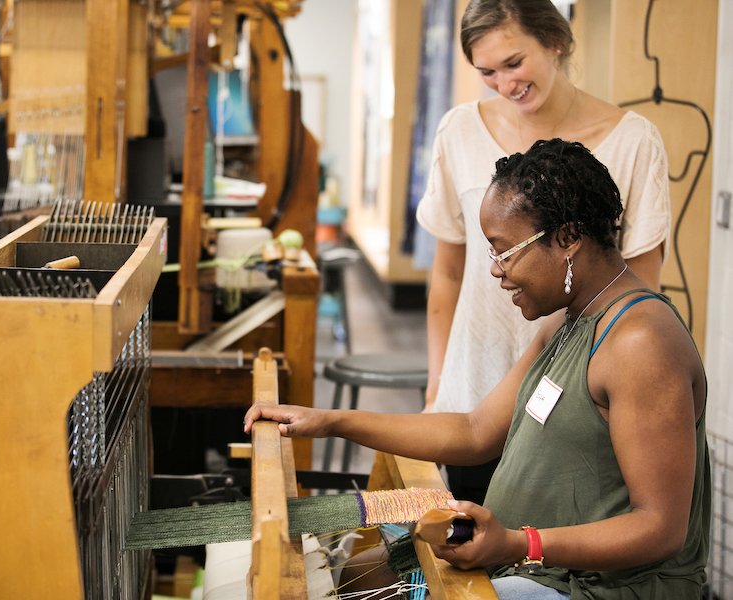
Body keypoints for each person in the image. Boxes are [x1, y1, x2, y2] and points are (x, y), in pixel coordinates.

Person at [245, 140, 708, 600]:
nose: (495, 270)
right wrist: (330, 421)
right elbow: (474, 430)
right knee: (348, 574)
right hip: (530, 564)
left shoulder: (639, 344)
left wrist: (519, 542)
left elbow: (660, 527)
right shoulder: (567, 323)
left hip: (595, 588)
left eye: (504, 251)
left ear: (567, 238)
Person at [417, 0, 672, 504]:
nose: (504, 84)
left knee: (547, 565)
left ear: (555, 41)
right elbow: (447, 272)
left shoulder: (632, 141)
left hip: (576, 395)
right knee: (469, 560)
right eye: (486, 71)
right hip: (476, 382)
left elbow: (640, 290)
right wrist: (436, 385)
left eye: (514, 63)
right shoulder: (460, 131)